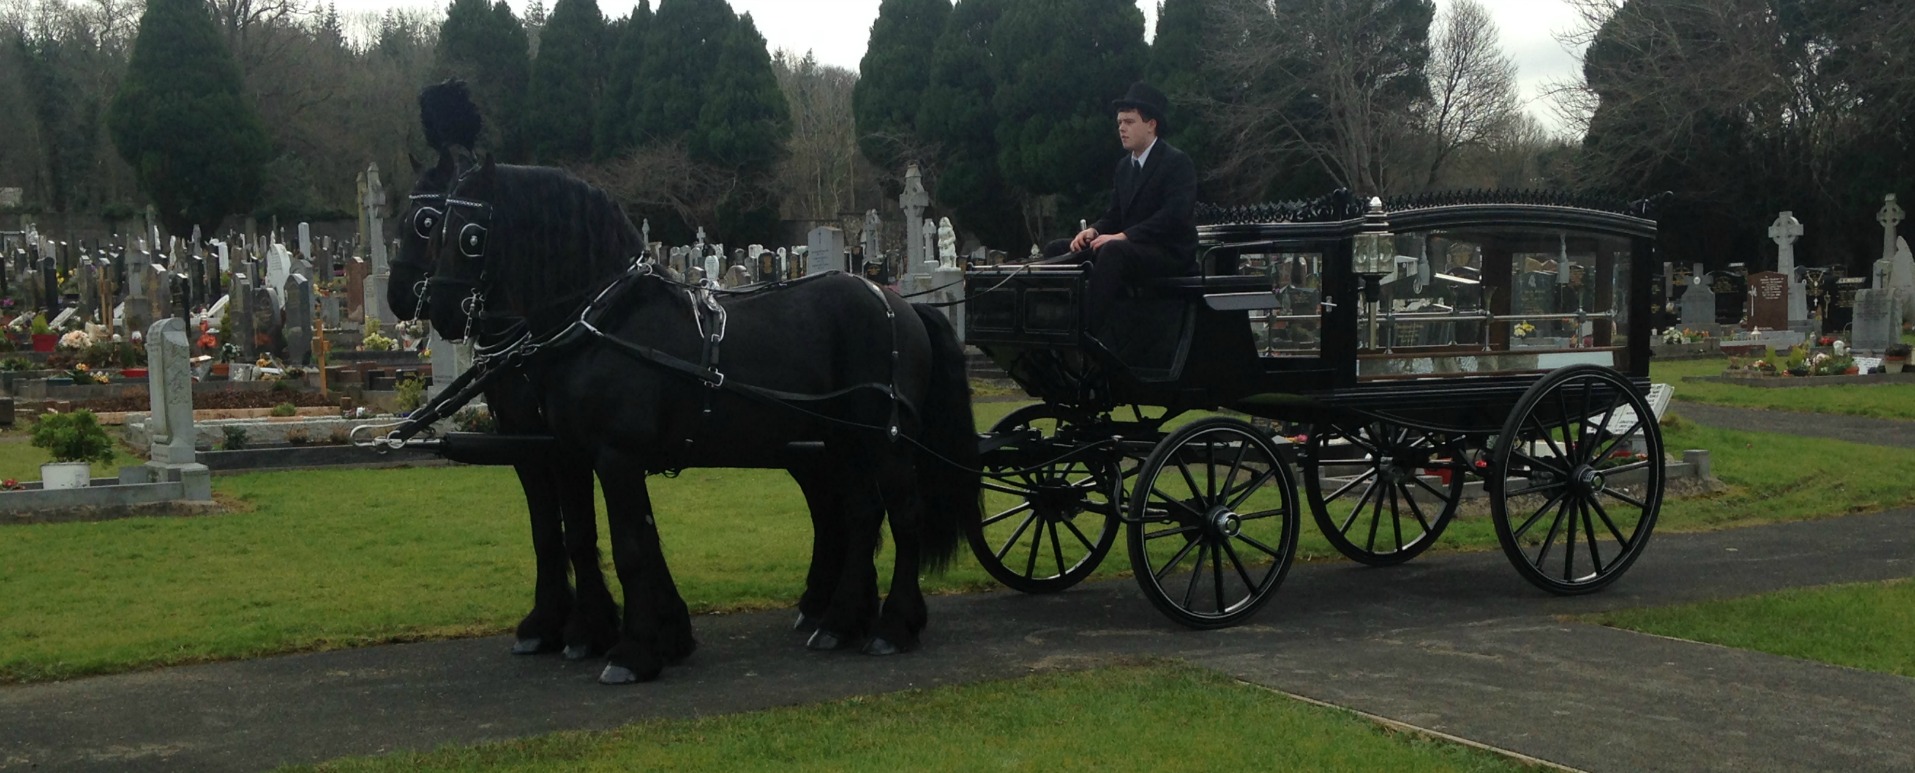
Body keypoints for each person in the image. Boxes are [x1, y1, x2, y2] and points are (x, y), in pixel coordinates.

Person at [1044, 81, 1200, 340]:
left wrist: (1123, 236)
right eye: (1119, 122)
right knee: (1058, 249)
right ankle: (1055, 319)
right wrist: (1094, 230)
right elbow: (1115, 214)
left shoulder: (1176, 162)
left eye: (1129, 121)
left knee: (1113, 251)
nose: (1122, 128)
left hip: (1167, 252)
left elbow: (1173, 216)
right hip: (1131, 248)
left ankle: (1086, 330)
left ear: (1151, 124)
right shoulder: (1124, 167)